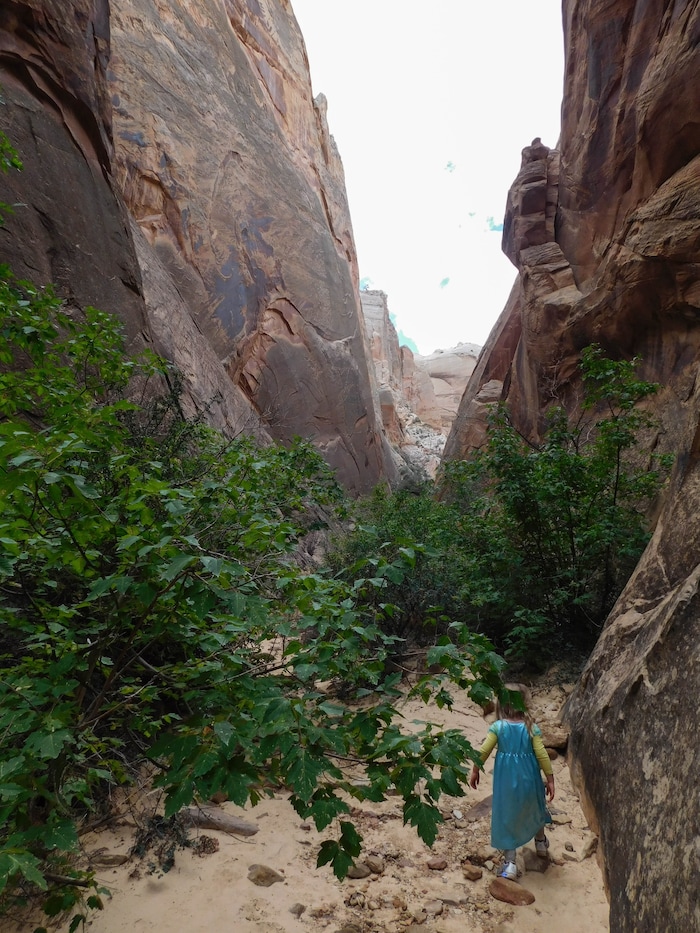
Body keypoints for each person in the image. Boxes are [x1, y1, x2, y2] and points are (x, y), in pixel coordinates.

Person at [469, 685, 555, 881]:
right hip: (530, 778)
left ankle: (510, 864)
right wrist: (550, 778)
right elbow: (542, 754)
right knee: (535, 805)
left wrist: (476, 769)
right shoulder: (530, 728)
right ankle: (540, 842)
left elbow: (484, 750)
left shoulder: (498, 728)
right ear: (525, 704)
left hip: (506, 783)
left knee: (508, 815)